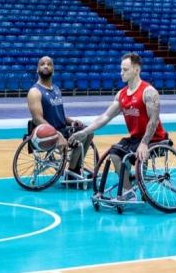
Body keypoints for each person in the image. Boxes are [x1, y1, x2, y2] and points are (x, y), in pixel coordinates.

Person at [69, 53, 167, 200]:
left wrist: (144, 143)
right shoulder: (121, 95)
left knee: (130, 152)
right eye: (121, 69)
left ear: (136, 70)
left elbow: (153, 121)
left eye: (125, 69)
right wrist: (85, 132)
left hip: (154, 138)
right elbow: (105, 117)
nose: (121, 73)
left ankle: (133, 182)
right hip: (135, 138)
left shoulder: (149, 92)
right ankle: (129, 192)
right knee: (114, 153)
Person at [26, 56, 91, 177]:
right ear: (37, 69)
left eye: (49, 64)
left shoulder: (56, 89)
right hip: (46, 133)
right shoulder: (34, 92)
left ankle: (74, 168)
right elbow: (37, 119)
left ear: (53, 69)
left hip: (62, 130)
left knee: (88, 131)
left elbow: (59, 115)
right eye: (42, 64)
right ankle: (72, 172)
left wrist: (72, 122)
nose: (46, 66)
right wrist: (56, 134)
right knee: (80, 138)